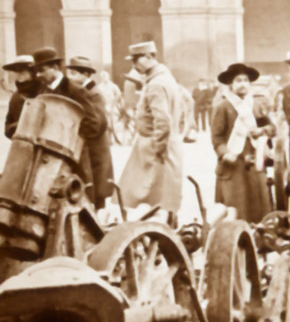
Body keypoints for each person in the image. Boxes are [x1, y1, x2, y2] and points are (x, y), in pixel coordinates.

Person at [119, 40, 186, 220]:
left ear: (149, 57)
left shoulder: (156, 84)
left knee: (152, 201)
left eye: (136, 60)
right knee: (165, 199)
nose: (134, 66)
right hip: (167, 145)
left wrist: (157, 148)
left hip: (157, 149)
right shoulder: (166, 78)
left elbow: (162, 121)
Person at [32, 48, 109, 207]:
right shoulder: (44, 90)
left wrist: (73, 139)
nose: (38, 75)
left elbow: (94, 124)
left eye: (42, 71)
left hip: (75, 155)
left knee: (80, 196)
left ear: (55, 68)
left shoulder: (76, 90)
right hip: (54, 154)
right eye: (36, 71)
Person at [211, 62, 273, 224]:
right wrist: (225, 153)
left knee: (258, 205)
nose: (242, 84)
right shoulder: (223, 107)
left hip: (254, 163)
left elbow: (272, 128)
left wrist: (263, 131)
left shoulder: (256, 105)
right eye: (238, 81)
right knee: (236, 207)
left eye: (245, 80)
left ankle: (260, 237)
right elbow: (216, 138)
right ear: (231, 85)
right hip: (233, 166)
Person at [65, 55, 114, 208]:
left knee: (98, 184)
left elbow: (99, 123)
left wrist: (82, 134)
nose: (70, 78)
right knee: (90, 182)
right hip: (88, 146)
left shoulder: (94, 93)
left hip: (95, 147)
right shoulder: (82, 91)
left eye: (73, 74)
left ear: (85, 74)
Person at [3, 55, 38, 139]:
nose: (19, 75)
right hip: (22, 143)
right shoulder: (16, 97)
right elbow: (8, 124)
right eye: (17, 72)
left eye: (22, 72)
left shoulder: (43, 91)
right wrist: (15, 128)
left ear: (32, 73)